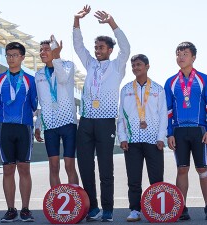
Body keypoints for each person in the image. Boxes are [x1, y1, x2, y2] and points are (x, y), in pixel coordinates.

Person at [73, 5, 130, 222]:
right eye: (96, 46)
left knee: (105, 167)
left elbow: (126, 47)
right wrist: (76, 21)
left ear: (110, 50)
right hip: (86, 122)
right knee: (85, 166)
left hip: (106, 123)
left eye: (101, 47)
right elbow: (78, 47)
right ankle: (93, 207)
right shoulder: (90, 65)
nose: (97, 49)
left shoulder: (117, 66)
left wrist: (112, 23)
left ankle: (108, 209)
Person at [164, 42, 207, 220]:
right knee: (182, 170)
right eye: (178, 54)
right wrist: (170, 133)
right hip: (179, 131)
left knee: (203, 168)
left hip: (199, 130)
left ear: (193, 57)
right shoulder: (170, 82)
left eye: (185, 53)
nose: (181, 57)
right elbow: (168, 111)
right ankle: (182, 207)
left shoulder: (203, 79)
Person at [0, 42, 38, 222]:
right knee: (8, 169)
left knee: (24, 168)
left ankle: (25, 209)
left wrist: (25, 117)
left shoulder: (30, 80)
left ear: (22, 57)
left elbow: (34, 104)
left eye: (15, 55)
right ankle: (11, 209)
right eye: (9, 55)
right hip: (5, 128)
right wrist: (3, 118)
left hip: (24, 127)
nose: (11, 58)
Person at [117, 54, 167, 222]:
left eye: (139, 64)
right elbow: (121, 116)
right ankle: (135, 210)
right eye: (133, 65)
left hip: (153, 140)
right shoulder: (125, 89)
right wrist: (122, 137)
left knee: (156, 177)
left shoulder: (158, 89)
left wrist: (161, 137)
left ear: (147, 66)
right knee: (133, 178)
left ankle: (157, 209)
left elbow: (163, 116)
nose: (136, 68)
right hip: (132, 141)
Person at [34, 36, 79, 187]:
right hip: (50, 125)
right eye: (41, 50)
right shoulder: (39, 74)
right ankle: (56, 202)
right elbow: (42, 101)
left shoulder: (68, 65)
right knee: (53, 166)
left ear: (54, 51)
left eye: (46, 49)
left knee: (69, 165)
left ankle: (75, 199)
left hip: (67, 122)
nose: (42, 52)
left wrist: (57, 57)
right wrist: (38, 124)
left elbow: (62, 80)